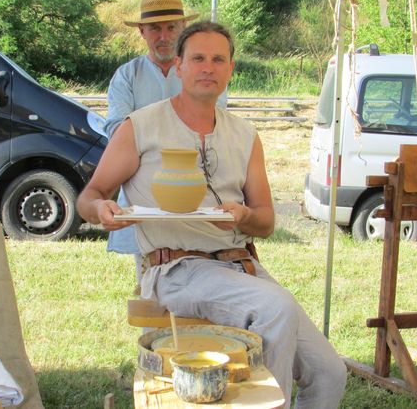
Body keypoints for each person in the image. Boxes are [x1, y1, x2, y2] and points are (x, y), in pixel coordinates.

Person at [77, 21, 347, 409]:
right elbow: (90, 196)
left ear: (231, 69)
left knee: (329, 373)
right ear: (179, 66)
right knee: (276, 308)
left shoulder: (245, 135)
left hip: (241, 266)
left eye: (218, 59)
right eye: (198, 58)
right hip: (177, 268)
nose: (208, 67)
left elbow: (266, 221)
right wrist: (101, 210)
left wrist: (242, 216)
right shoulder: (141, 126)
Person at [104, 0, 226, 284]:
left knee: (203, 283)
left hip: (195, 194)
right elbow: (118, 131)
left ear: (183, 28)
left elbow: (214, 127)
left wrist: (148, 139)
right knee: (150, 286)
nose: (164, 36)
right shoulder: (127, 75)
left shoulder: (203, 73)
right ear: (142, 32)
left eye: (172, 27)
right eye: (155, 29)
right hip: (143, 197)